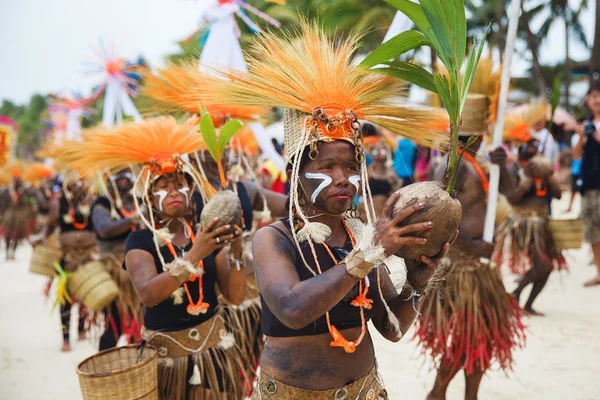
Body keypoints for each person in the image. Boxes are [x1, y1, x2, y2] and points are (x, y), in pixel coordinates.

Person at [201, 23, 453, 399]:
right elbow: (292, 308)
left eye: (351, 167)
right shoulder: (274, 238)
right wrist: (364, 258)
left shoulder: (361, 235)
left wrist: (415, 283)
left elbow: (391, 329)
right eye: (327, 167)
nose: (343, 179)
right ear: (295, 174)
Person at [68, 116, 249, 399]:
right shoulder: (139, 241)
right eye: (164, 186)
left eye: (180, 184)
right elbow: (149, 294)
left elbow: (235, 297)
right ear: (150, 197)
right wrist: (195, 254)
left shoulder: (205, 234)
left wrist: (237, 250)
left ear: (192, 191)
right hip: (167, 363)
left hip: (215, 356)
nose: (174, 191)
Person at [417, 135, 526, 400]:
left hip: (480, 266)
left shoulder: (478, 162)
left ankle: (468, 396)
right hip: (459, 267)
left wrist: (503, 167)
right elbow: (437, 214)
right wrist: (470, 244)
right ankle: (438, 393)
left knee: (482, 335)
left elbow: (512, 194)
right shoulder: (452, 165)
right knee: (471, 334)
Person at [495, 138, 565, 315]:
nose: (532, 149)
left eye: (535, 147)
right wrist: (525, 180)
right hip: (523, 223)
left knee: (547, 268)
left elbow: (558, 195)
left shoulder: (542, 167)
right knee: (544, 265)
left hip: (542, 223)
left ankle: (526, 304)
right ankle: (515, 294)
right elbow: (512, 198)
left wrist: (549, 177)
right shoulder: (514, 168)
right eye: (529, 146)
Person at [91, 170, 143, 350]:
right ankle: (104, 368)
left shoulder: (139, 202)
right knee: (114, 321)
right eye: (116, 175)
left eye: (125, 174)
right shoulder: (103, 203)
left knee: (141, 320)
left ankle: (137, 364)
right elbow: (103, 229)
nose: (121, 179)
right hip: (115, 270)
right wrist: (132, 220)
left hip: (139, 270)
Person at [44, 176, 97, 351]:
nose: (77, 186)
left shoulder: (92, 201)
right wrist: (46, 242)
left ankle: (81, 329)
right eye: (73, 183)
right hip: (67, 259)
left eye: (81, 182)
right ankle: (66, 339)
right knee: (66, 298)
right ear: (67, 185)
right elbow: (50, 226)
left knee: (85, 293)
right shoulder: (59, 203)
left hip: (88, 257)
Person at [574, 81, 600, 287]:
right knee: (593, 233)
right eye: (592, 96)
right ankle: (599, 273)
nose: (597, 99)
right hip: (589, 185)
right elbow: (576, 156)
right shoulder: (586, 124)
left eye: (599, 95)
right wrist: (581, 137)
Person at [367, 141, 399, 217]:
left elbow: (396, 192)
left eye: (382, 150)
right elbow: (360, 193)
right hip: (371, 210)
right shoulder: (368, 171)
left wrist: (395, 182)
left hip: (385, 210)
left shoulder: (391, 171)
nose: (379, 153)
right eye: (376, 151)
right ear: (372, 153)